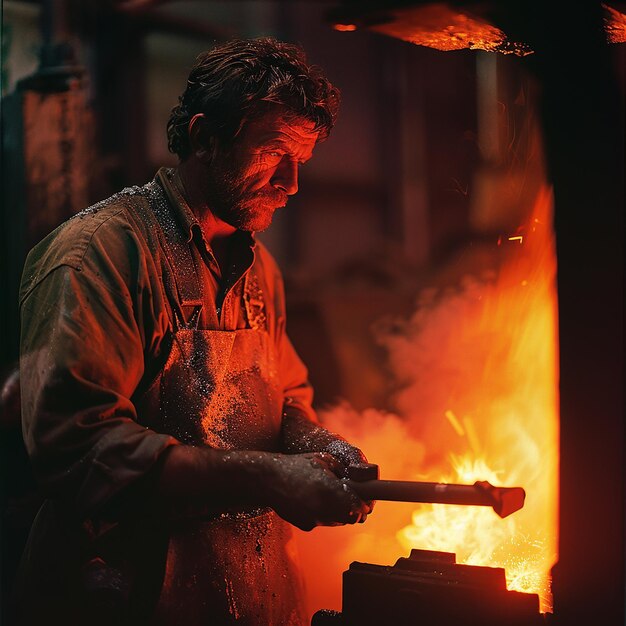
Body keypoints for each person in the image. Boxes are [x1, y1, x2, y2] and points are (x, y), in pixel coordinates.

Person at [16, 38, 373, 625]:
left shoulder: (260, 270)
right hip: (123, 596)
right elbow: (78, 449)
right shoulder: (102, 254)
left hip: (247, 596)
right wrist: (266, 475)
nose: (292, 183)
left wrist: (319, 446)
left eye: (301, 161)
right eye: (274, 151)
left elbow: (287, 401)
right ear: (206, 136)